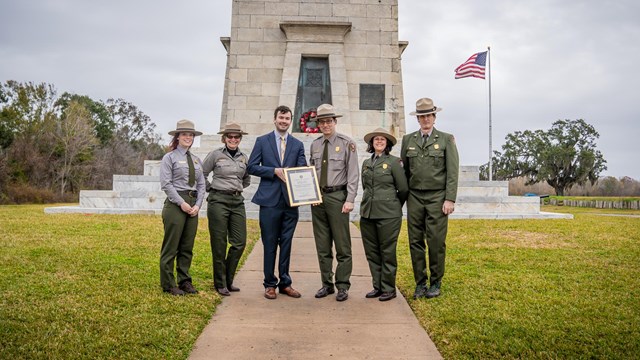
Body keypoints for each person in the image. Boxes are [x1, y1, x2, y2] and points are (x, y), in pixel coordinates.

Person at [400, 98, 459, 299]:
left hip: (437, 197)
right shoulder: (408, 140)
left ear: (434, 117)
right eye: (421, 116)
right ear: (417, 119)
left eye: (428, 115)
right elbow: (405, 172)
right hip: (415, 197)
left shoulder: (446, 139)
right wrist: (403, 197)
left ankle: (435, 282)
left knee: (435, 241)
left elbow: (452, 171)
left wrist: (449, 199)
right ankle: (420, 283)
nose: (425, 119)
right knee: (415, 241)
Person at [248, 105, 307, 300]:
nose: (284, 121)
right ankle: (269, 284)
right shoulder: (262, 141)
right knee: (270, 243)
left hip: (291, 201)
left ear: (291, 121)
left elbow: (303, 169)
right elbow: (252, 167)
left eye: (287, 118)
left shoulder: (298, 144)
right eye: (281, 118)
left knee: (287, 244)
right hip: (269, 201)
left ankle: (285, 283)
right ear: (275, 119)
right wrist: (273, 171)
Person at [309, 103, 359, 302]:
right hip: (318, 199)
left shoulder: (347, 143)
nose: (325, 125)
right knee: (322, 245)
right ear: (318, 124)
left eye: (329, 121)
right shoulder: (315, 145)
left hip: (338, 198)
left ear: (335, 122)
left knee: (342, 245)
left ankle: (343, 285)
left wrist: (350, 199)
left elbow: (353, 174)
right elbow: (311, 173)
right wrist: (311, 195)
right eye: (322, 122)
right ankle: (326, 284)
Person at [360, 128, 408, 302]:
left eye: (382, 139)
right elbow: (365, 186)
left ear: (387, 143)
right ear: (371, 143)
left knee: (387, 251)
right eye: (376, 139)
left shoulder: (395, 162)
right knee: (372, 252)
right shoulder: (366, 162)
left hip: (389, 214)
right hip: (368, 213)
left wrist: (394, 205)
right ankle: (377, 286)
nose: (379, 141)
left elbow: (402, 188)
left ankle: (388, 288)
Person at [202, 123, 251, 297]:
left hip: (237, 201)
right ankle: (220, 283)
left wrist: (236, 188)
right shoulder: (215, 155)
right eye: (229, 136)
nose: (233, 139)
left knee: (239, 242)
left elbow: (246, 179)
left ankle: (228, 279)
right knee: (219, 243)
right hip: (218, 201)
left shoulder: (244, 157)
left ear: (240, 139)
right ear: (224, 138)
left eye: (236, 137)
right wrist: (211, 189)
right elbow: (202, 173)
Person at [159, 119, 206, 296]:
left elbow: (201, 185)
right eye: (184, 134)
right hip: (175, 204)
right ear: (177, 137)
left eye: (191, 134)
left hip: (193, 205)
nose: (188, 137)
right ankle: (168, 283)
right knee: (172, 246)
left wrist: (198, 205)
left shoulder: (196, 160)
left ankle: (184, 280)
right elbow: (166, 184)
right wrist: (182, 203)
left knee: (187, 246)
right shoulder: (169, 158)